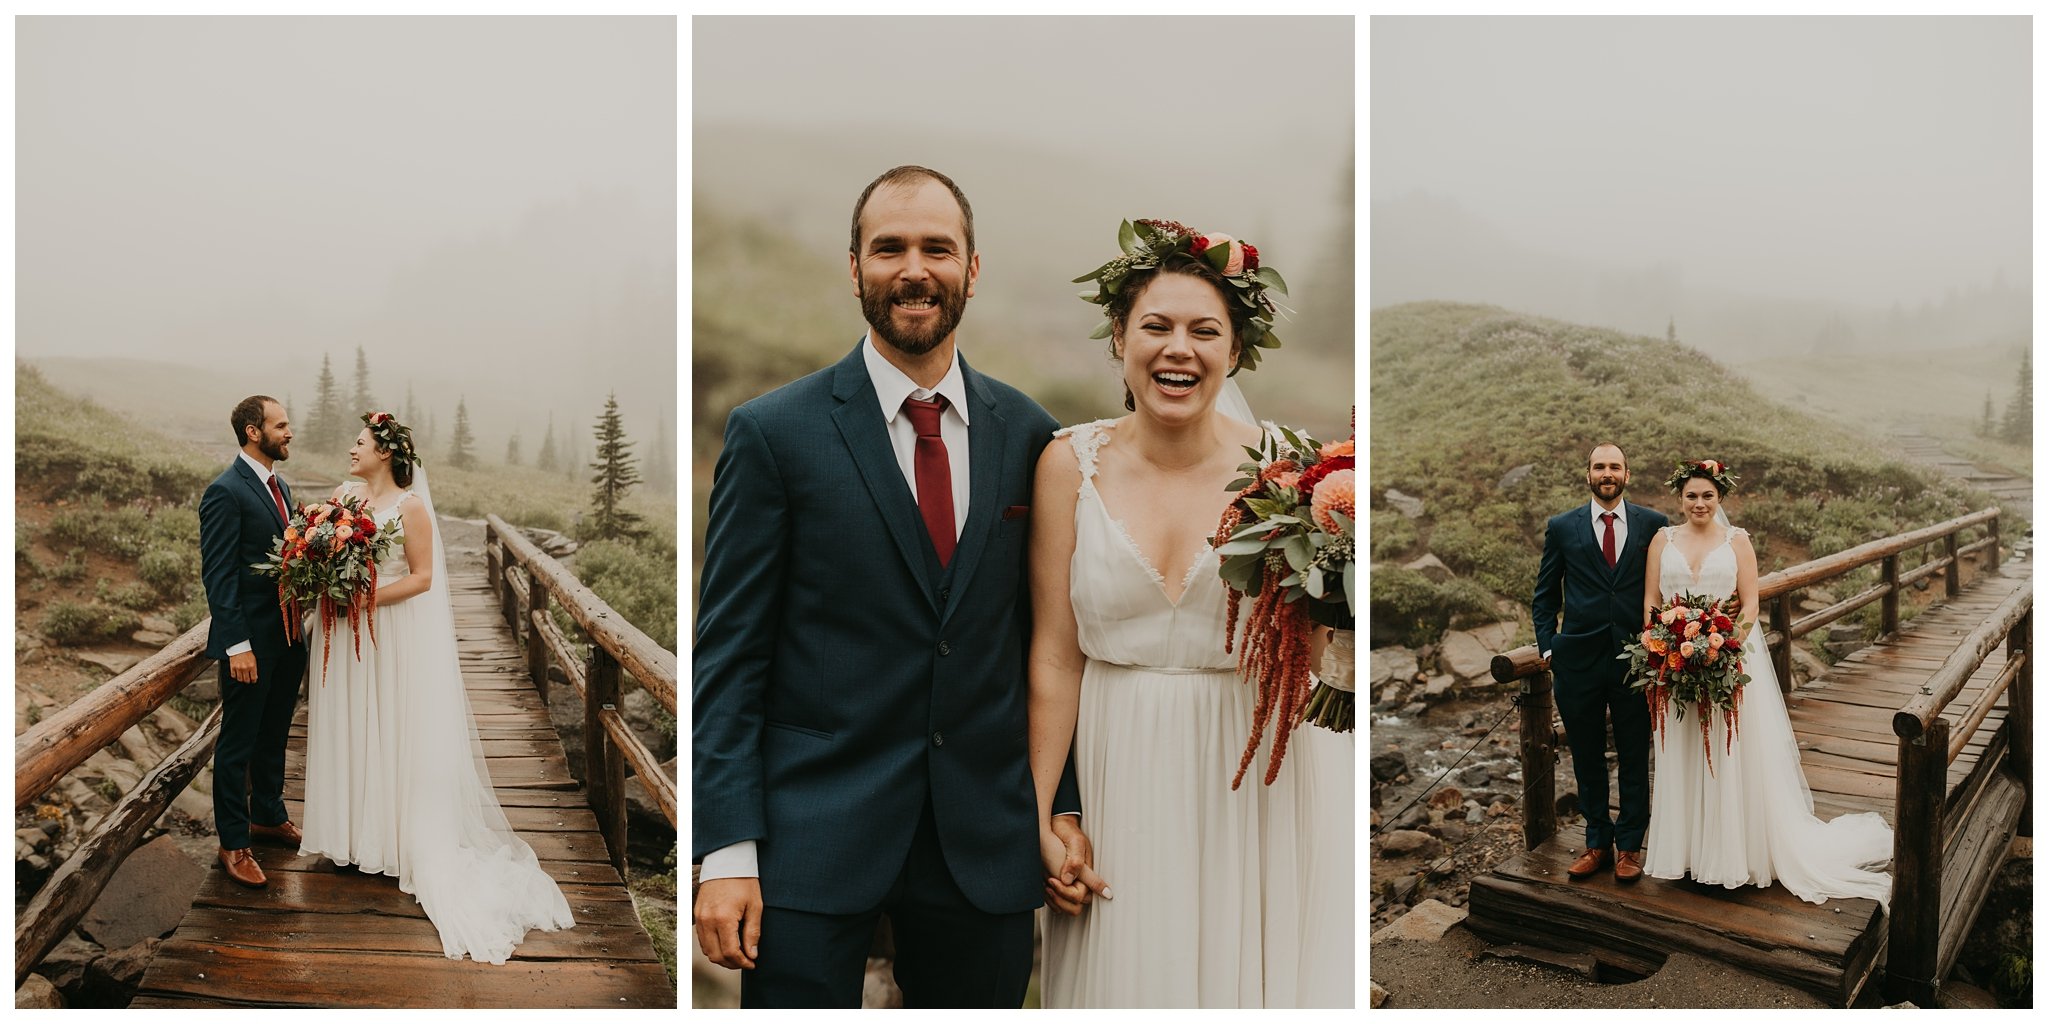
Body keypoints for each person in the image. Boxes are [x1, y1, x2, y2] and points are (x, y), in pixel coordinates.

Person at [691, 165, 1085, 1008]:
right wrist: (725, 852)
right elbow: (728, 657)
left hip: (984, 844)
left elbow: (1051, 643)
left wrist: (1064, 809)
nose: (914, 268)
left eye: (937, 248)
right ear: (854, 267)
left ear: (972, 269)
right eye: (889, 248)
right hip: (808, 841)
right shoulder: (773, 433)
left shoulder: (1033, 436)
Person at [1029, 220, 1353, 1008]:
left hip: (1255, 785)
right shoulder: (1067, 465)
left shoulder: (1295, 469)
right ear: (1119, 337)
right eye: (1157, 326)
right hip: (1114, 774)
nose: (1180, 348)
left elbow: (1327, 648)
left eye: (1205, 330)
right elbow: (1053, 656)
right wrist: (1039, 815)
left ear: (1235, 350)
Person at [297, 411, 574, 963]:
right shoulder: (343, 498)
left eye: (360, 443)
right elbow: (323, 549)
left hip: (385, 631)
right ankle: (351, 835)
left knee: (389, 724)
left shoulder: (410, 508)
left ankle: (391, 836)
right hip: (341, 630)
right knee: (349, 723)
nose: (351, 450)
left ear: (385, 452)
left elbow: (421, 578)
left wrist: (364, 600)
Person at [1638, 460, 1892, 906]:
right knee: (1685, 751)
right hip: (1675, 666)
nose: (1699, 503)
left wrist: (1723, 649)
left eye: (1707, 496)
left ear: (1720, 499)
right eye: (1691, 496)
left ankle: (1733, 855)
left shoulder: (1737, 542)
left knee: (1729, 753)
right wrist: (1663, 647)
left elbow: (1751, 605)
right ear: (1679, 498)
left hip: (1727, 662)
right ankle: (1689, 853)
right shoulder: (1663, 540)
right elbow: (1651, 602)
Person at [1532, 443, 1670, 883]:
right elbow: (1544, 597)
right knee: (1586, 756)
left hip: (1636, 661)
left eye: (1614, 466)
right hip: (1577, 662)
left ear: (1627, 473)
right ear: (1588, 473)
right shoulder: (1561, 526)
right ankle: (1597, 843)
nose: (1606, 473)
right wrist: (1549, 648)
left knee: (1634, 755)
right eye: (1599, 466)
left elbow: (1667, 588)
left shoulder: (1654, 525)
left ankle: (1629, 846)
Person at [198, 396, 311, 889]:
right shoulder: (225, 491)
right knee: (239, 742)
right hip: (251, 644)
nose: (289, 432)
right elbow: (219, 576)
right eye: (280, 425)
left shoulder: (279, 485)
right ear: (252, 431)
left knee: (275, 733)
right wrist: (236, 645)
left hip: (288, 638)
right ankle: (233, 841)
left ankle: (268, 813)